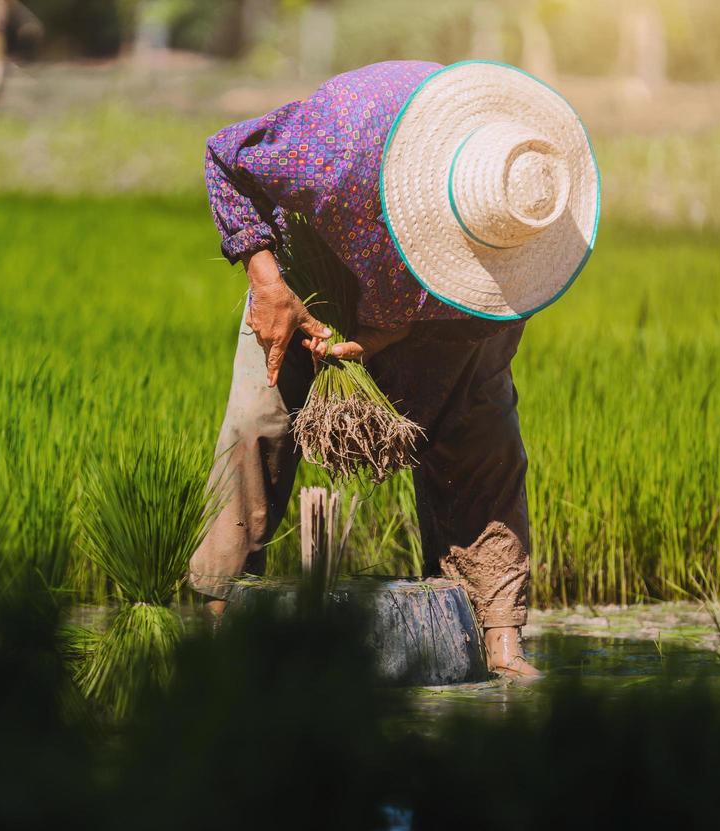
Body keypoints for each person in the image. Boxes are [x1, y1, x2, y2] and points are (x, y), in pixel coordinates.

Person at [189, 60, 600, 678]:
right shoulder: (339, 143)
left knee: (485, 441)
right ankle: (211, 611)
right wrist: (267, 281)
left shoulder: (526, 213)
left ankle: (498, 635)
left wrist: (386, 334)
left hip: (449, 318)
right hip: (308, 286)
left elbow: (480, 331)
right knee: (259, 423)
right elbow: (225, 159)